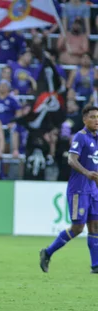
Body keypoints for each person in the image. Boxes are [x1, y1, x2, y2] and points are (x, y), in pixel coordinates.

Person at [40, 105, 98, 273]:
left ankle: (95, 265)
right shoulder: (81, 137)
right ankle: (47, 252)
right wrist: (87, 173)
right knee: (78, 228)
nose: (96, 120)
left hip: (93, 189)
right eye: (93, 117)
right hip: (79, 189)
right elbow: (71, 160)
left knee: (95, 226)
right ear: (84, 120)